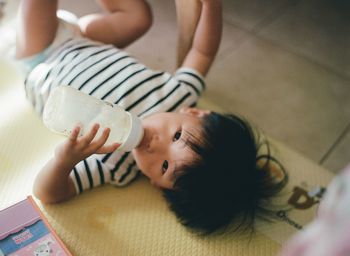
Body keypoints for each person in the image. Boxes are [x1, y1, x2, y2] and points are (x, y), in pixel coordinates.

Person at [16, 0, 287, 235]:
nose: (154, 146)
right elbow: (203, 52)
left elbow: (48, 194)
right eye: (177, 135)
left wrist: (65, 160)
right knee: (139, 17)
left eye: (165, 166)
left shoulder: (113, 164)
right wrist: (212, 7)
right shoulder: (179, 94)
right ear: (194, 112)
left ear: (157, 184)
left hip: (42, 58)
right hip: (88, 41)